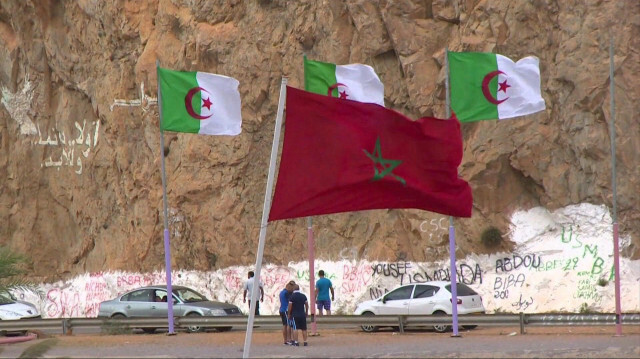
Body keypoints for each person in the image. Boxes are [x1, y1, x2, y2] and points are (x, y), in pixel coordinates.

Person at [279, 280, 296, 345]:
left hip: (282, 309)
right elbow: (290, 301)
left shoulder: (282, 292)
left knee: (285, 325)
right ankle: (289, 339)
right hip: (286, 310)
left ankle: (286, 340)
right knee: (288, 325)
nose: (293, 289)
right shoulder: (287, 293)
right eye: (292, 288)